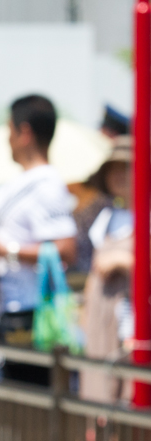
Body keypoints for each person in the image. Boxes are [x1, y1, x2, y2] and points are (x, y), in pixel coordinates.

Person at [0, 94, 77, 385]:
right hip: (11, 313)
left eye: (9, 131)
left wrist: (7, 250)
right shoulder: (20, 183)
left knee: (27, 415)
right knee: (12, 412)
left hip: (31, 315)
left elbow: (65, 248)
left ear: (24, 133)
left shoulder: (47, 185)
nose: (6, 140)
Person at [80, 137, 134, 402]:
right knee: (97, 385)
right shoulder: (106, 217)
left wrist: (122, 262)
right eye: (113, 169)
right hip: (100, 317)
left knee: (126, 388)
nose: (118, 176)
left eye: (125, 168)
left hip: (129, 315)